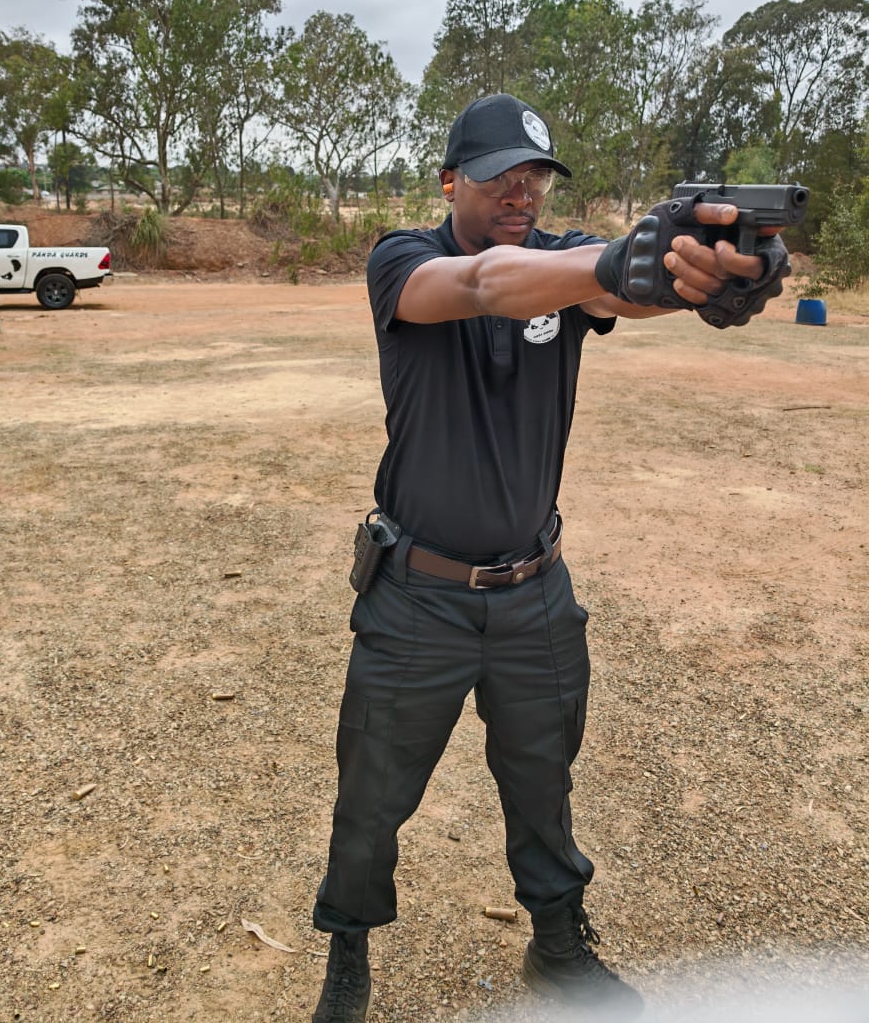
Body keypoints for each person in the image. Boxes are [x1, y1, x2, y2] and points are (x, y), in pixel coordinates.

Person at [310, 93, 789, 1021]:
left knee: (544, 781)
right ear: (452, 181)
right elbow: (489, 284)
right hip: (418, 595)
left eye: (534, 177)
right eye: (500, 177)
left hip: (536, 591)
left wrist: (701, 276)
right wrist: (611, 260)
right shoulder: (404, 261)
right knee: (372, 793)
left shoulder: (562, 269)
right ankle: (348, 956)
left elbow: (614, 288)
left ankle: (559, 947)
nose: (520, 192)